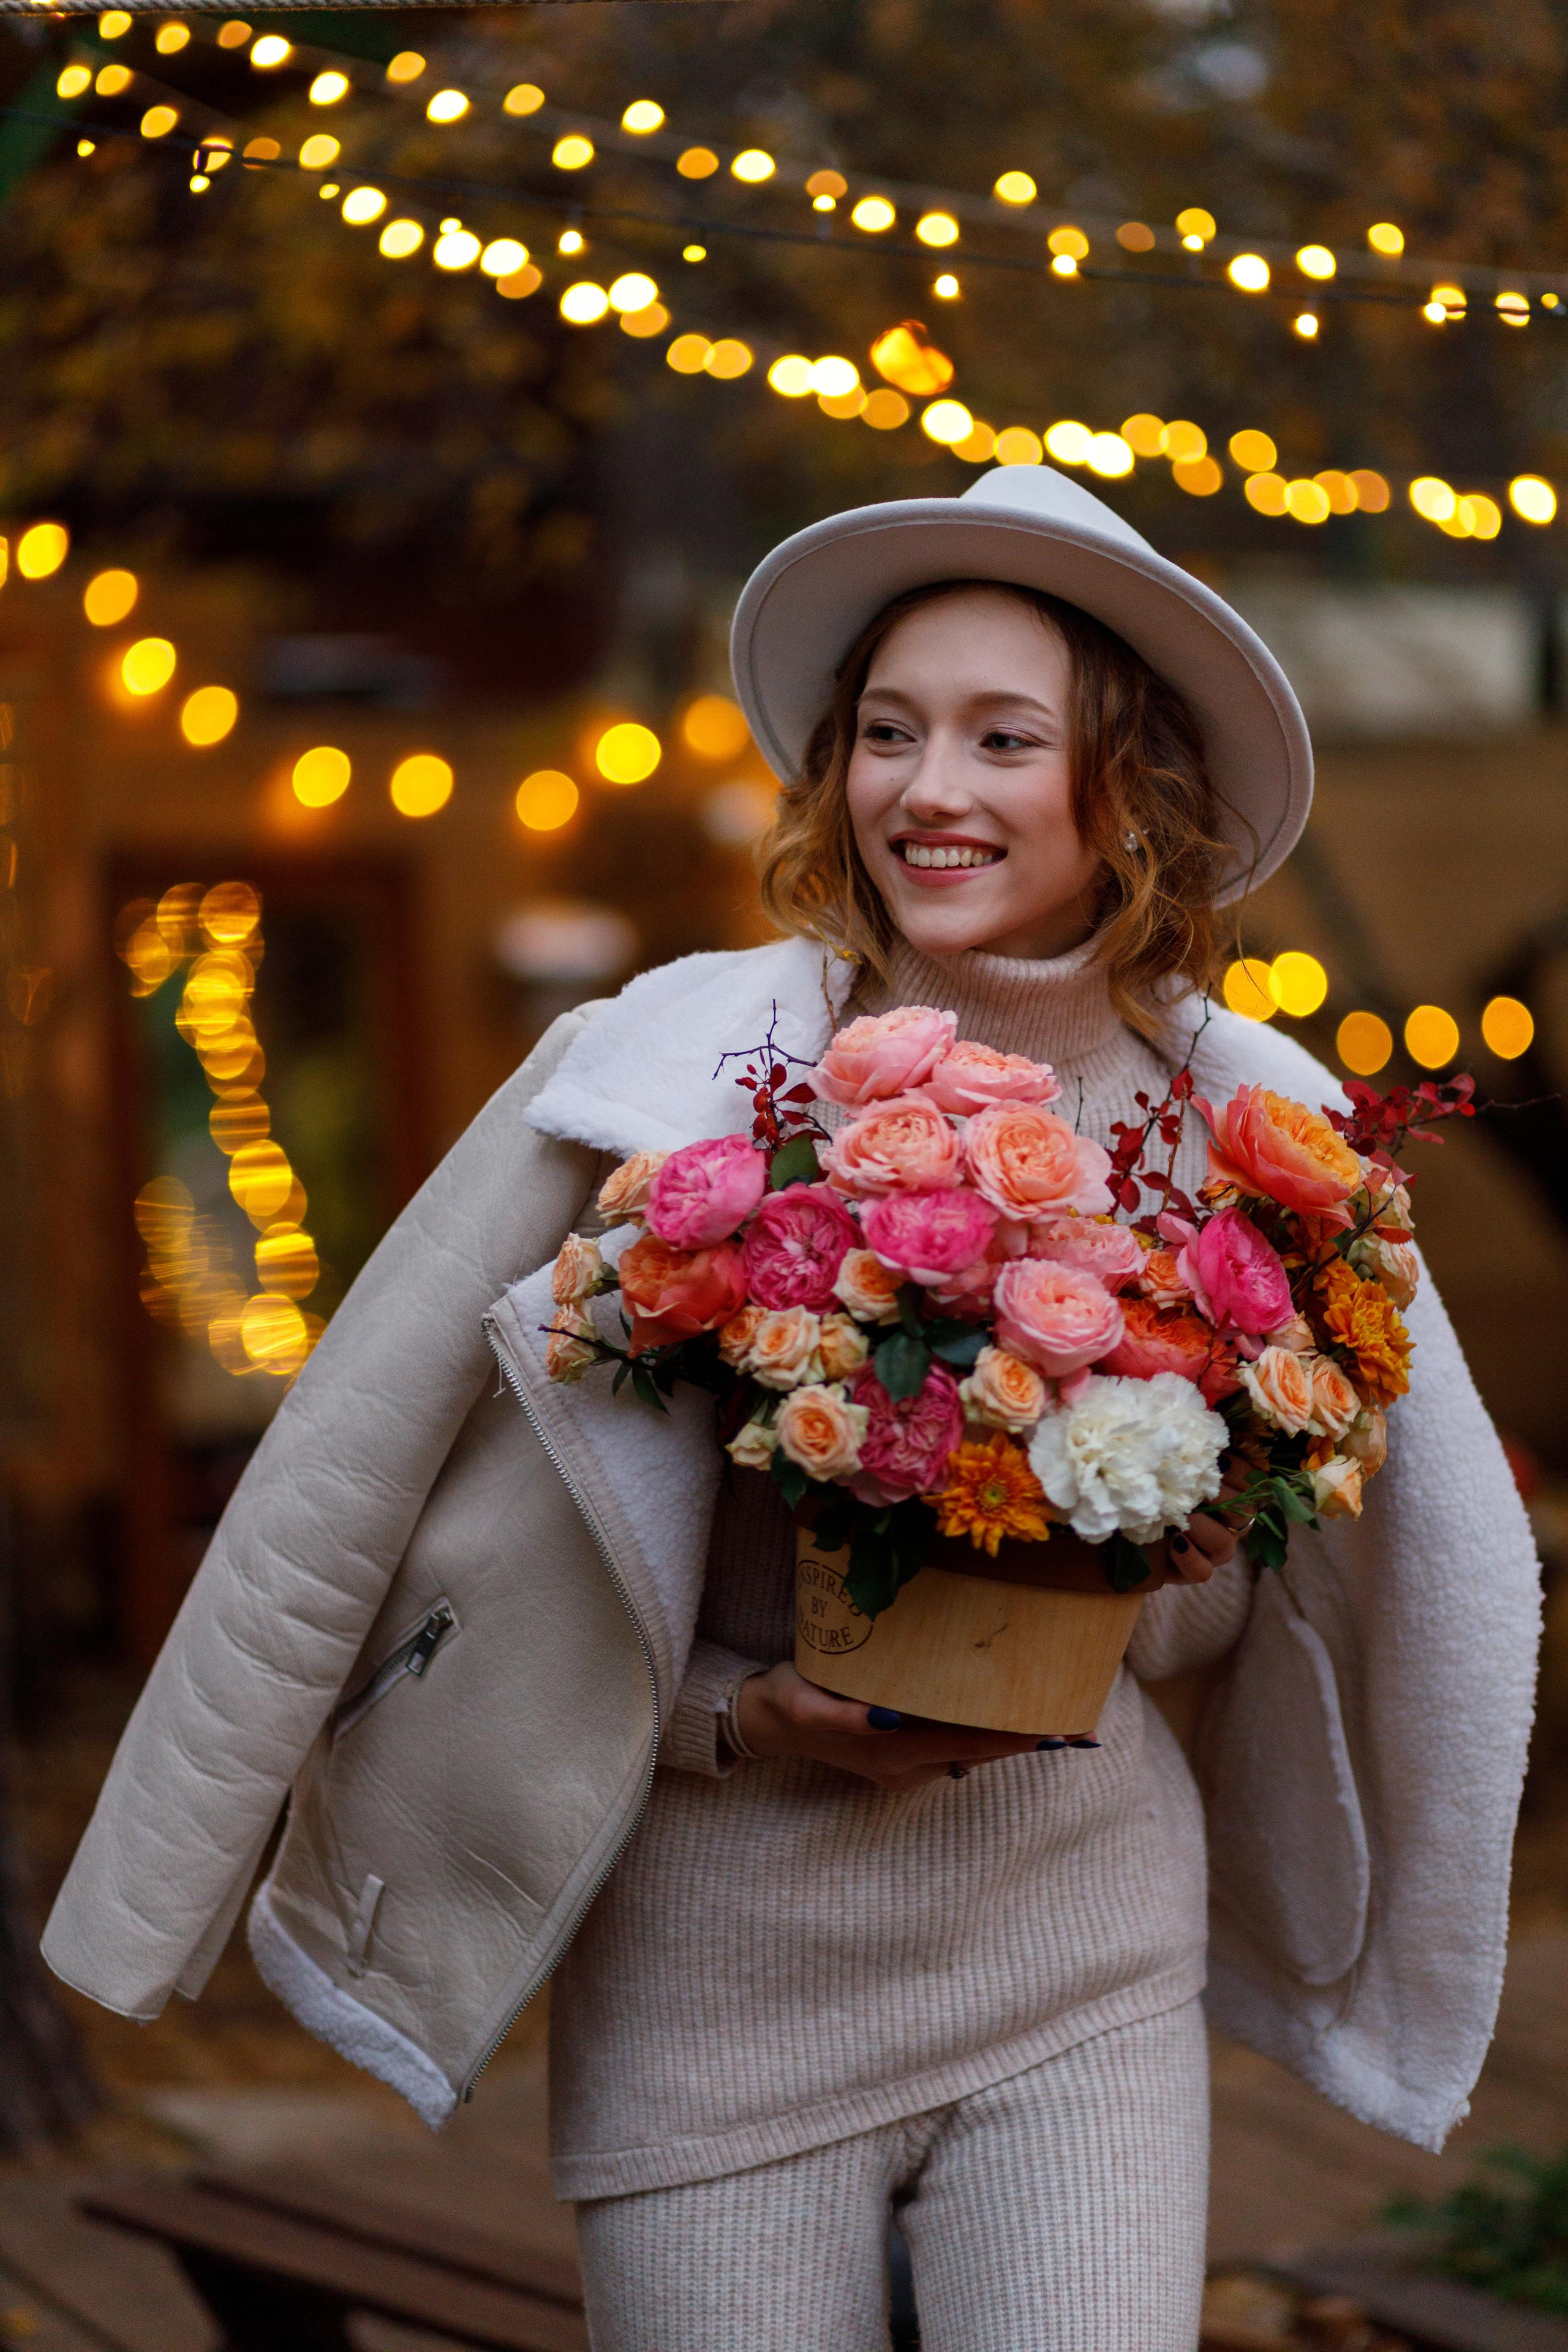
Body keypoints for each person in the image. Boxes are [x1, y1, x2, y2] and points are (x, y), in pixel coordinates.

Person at [43, 466, 1539, 2352]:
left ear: (1127, 789)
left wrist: (1159, 1540)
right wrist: (730, 1724)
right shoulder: (655, 1074)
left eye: (1005, 738)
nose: (931, 789)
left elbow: (1289, 1608)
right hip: (711, 1986)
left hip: (1083, 1965)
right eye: (890, 733)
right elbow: (339, 1473)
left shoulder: (1254, 1137)